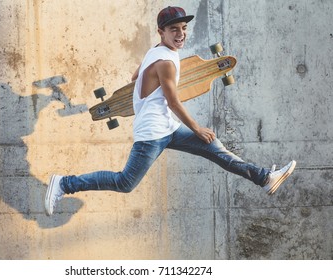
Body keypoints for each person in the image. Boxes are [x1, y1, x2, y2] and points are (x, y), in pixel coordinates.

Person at [44, 6, 296, 216]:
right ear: (161, 32)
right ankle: (64, 184)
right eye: (174, 29)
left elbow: (134, 77)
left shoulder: (157, 51)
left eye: (184, 28)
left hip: (168, 127)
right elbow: (174, 102)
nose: (181, 34)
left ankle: (264, 178)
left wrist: (147, 81)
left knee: (215, 148)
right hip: (153, 133)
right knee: (125, 182)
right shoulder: (165, 62)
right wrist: (197, 128)